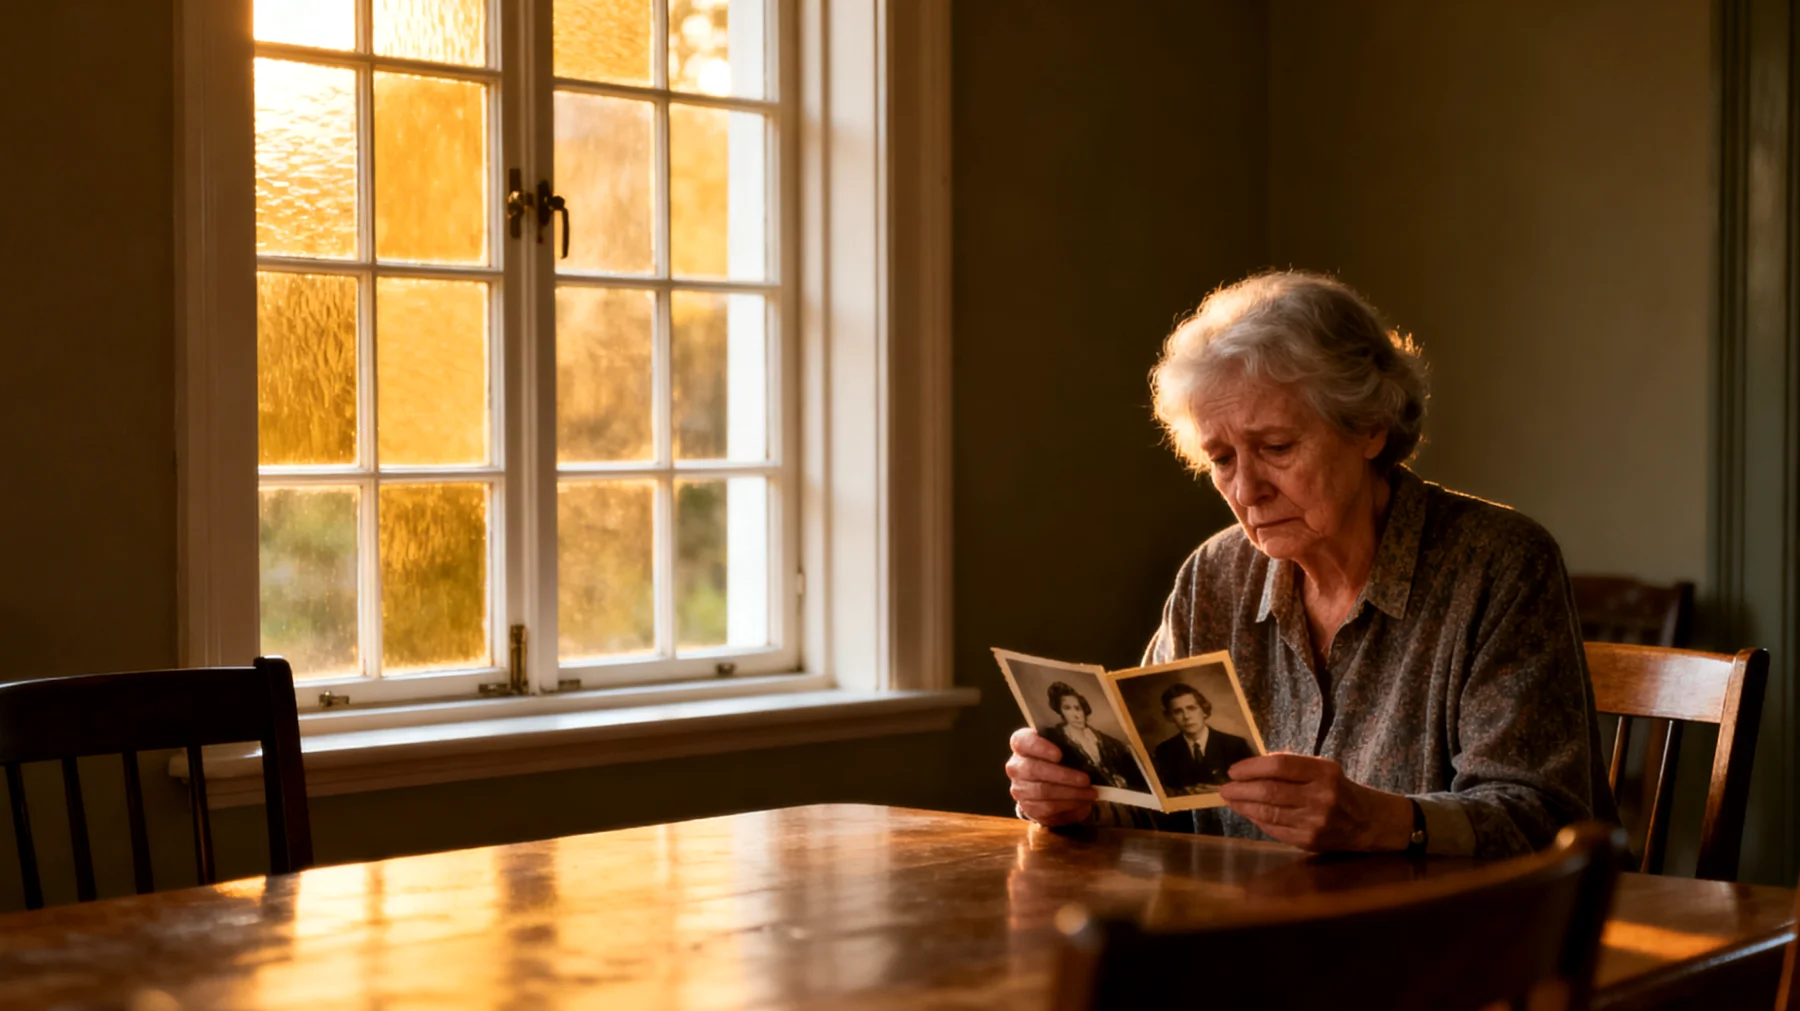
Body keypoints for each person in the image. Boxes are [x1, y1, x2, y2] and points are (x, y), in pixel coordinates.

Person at [1004, 270, 1617, 859]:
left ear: (1369, 428)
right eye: (1220, 459)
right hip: (1246, 940)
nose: (1245, 490)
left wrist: (1385, 823)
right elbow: (1155, 798)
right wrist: (1075, 797)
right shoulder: (1213, 576)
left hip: (1445, 942)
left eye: (1276, 448)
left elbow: (1548, 820)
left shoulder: (1498, 564)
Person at [1039, 681, 1150, 793]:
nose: (1076, 715)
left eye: (1078, 708)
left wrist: (1123, 781)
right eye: (1067, 708)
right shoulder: (1054, 739)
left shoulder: (1110, 743)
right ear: (1060, 712)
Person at [1150, 682, 1255, 794]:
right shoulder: (1164, 751)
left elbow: (1256, 786)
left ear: (1204, 711)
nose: (1186, 716)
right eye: (1178, 711)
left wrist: (1223, 790)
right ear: (1170, 717)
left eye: (1191, 708)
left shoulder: (1235, 745)